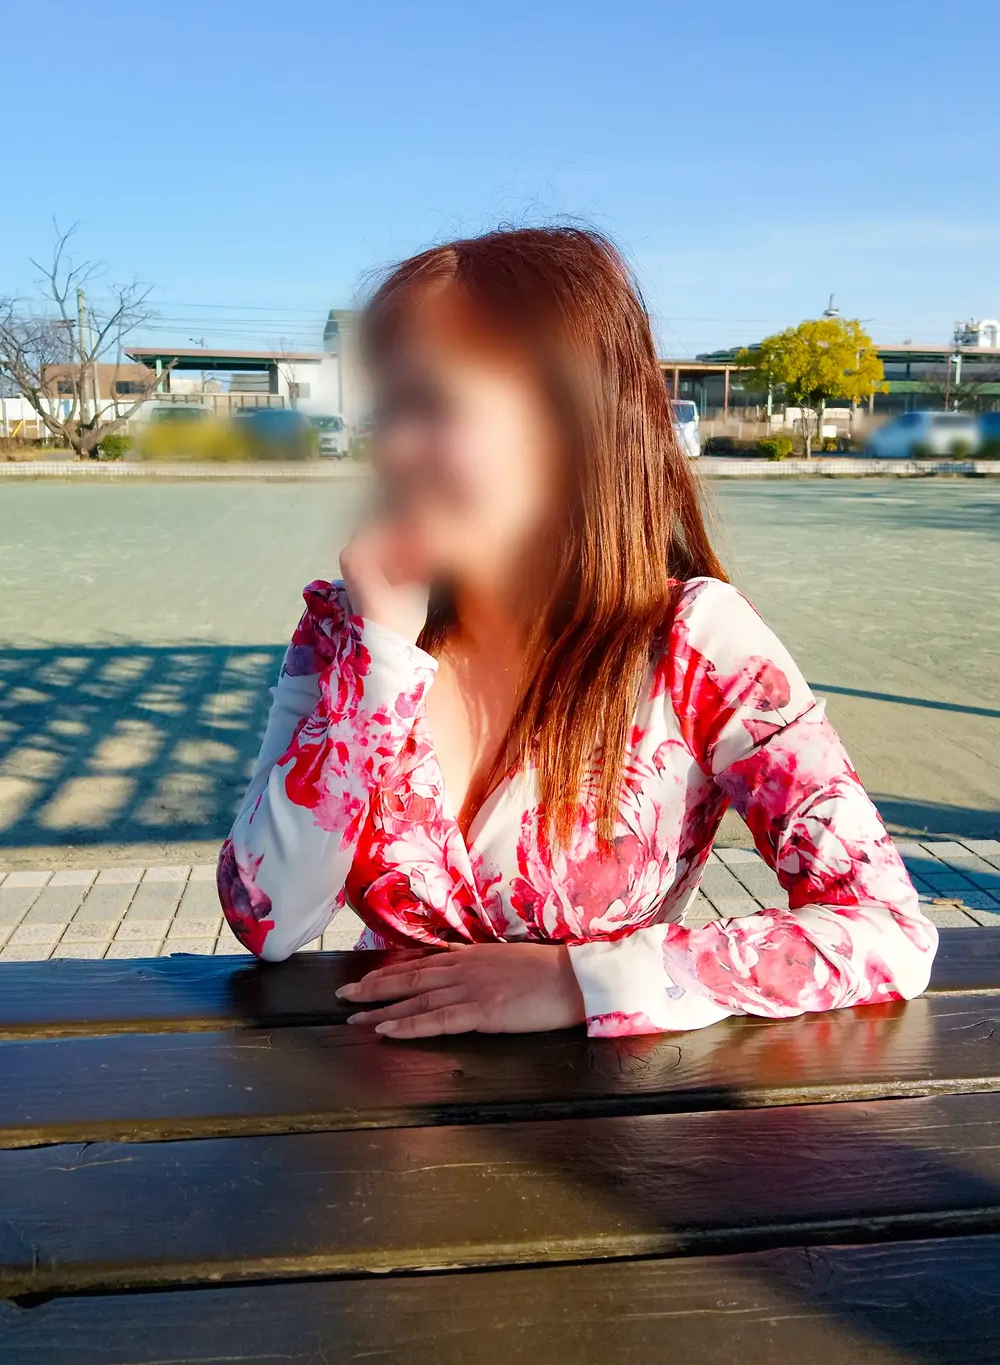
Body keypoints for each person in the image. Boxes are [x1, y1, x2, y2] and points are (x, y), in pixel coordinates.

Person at [217, 226, 937, 1040]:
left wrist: (584, 980)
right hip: (374, 1090)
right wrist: (380, 663)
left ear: (570, 426)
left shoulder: (696, 642)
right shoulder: (347, 630)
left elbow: (888, 930)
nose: (390, 447)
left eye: (434, 405)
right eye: (387, 411)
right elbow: (267, 920)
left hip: (605, 1108)